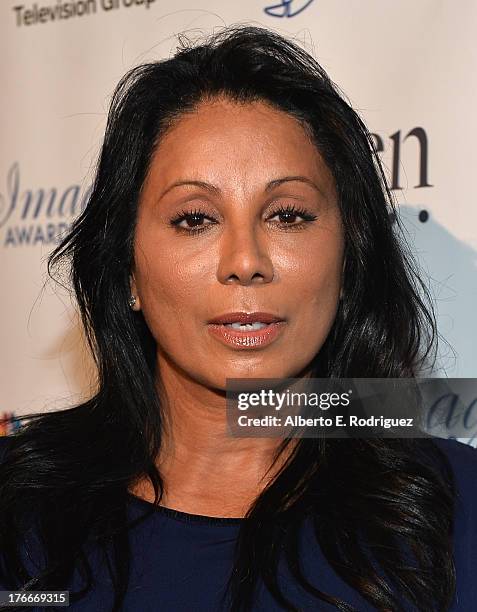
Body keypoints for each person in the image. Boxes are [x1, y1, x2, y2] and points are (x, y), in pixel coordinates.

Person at [0, 25, 476, 612]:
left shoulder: (457, 509)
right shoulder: (15, 501)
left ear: (350, 258)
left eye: (288, 215)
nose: (246, 261)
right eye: (195, 219)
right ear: (127, 270)